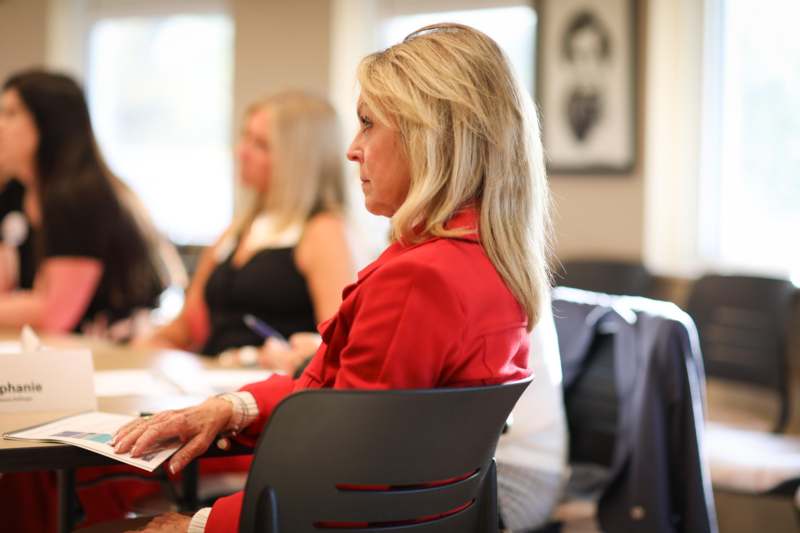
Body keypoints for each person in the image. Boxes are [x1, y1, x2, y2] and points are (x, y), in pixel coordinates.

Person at [112, 22, 552, 533]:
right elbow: (332, 400)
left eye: (368, 124)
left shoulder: (418, 279)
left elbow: (347, 475)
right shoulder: (492, 264)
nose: (352, 149)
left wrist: (200, 526)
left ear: (427, 138)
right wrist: (233, 406)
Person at [138, 91, 355, 370]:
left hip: (269, 385)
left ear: (299, 160)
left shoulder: (323, 231)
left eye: (261, 145)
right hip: (212, 376)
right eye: (245, 138)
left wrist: (278, 356)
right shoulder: (237, 231)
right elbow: (185, 328)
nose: (241, 152)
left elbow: (337, 344)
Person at [0, 69, 167, 332]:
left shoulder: (78, 197)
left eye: (11, 114)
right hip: (54, 345)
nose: (1, 125)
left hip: (113, 345)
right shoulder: (16, 192)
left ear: (48, 124)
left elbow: (56, 313)